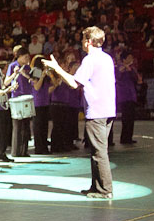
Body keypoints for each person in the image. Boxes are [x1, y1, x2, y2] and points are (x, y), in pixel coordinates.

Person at [44, 25, 115, 199]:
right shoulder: (107, 58)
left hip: (96, 110)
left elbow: (74, 83)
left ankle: (105, 190)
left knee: (99, 152)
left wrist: (57, 68)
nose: (82, 42)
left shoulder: (90, 60)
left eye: (83, 39)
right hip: (107, 109)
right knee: (97, 150)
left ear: (88, 42)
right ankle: (96, 187)